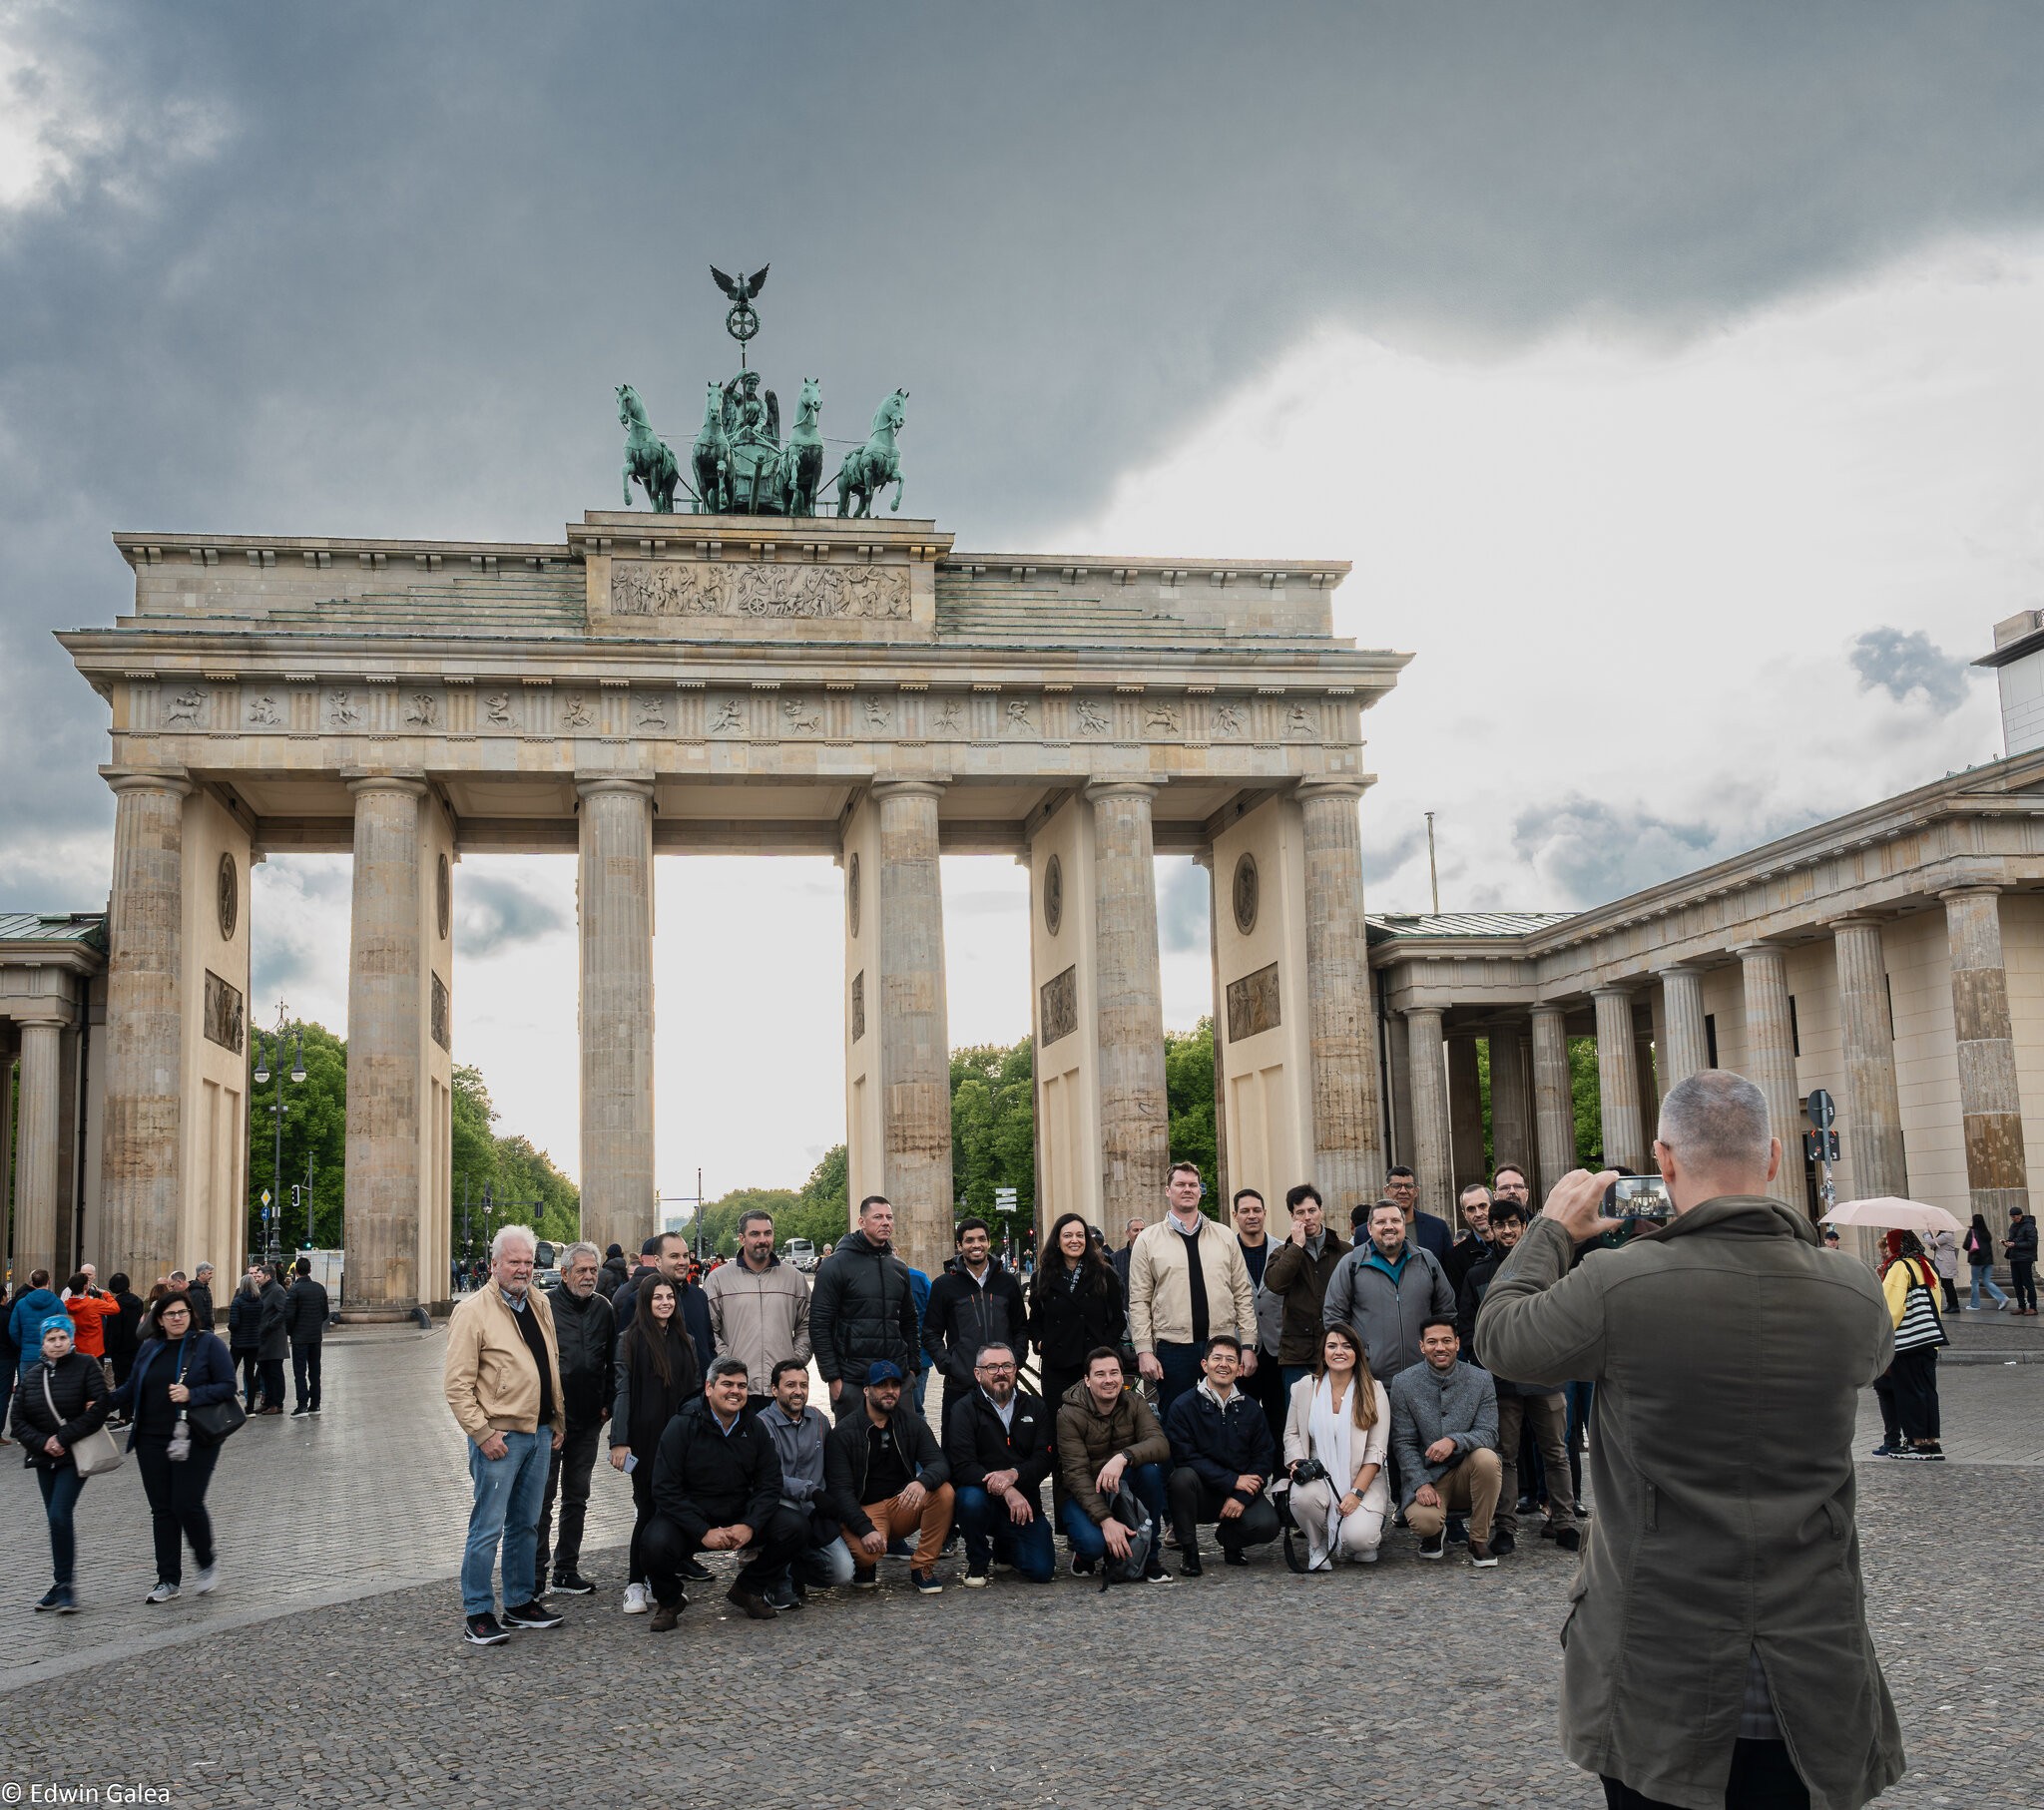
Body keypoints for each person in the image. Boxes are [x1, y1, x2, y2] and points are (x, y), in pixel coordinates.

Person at [1476, 1069, 1902, 1810]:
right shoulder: (1854, 1292)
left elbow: (1501, 1337)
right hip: (1813, 1668)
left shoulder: (1619, 1284)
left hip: (1656, 1670)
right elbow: (1874, 1361)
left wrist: (1550, 1228)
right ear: (1773, 1158)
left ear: (1663, 1162)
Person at [442, 1224, 566, 1647]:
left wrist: (558, 1420)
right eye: (514, 1261)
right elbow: (457, 1385)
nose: (523, 1269)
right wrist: (481, 1433)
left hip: (539, 1432)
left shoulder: (540, 1302)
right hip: (499, 1438)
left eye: (529, 1262)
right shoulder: (473, 1310)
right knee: (487, 1528)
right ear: (494, 1264)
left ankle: (518, 1602)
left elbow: (549, 1363)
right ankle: (477, 1611)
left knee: (526, 1525)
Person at [640, 1357, 805, 1630]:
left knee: (795, 1526)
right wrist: (701, 1530)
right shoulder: (681, 1426)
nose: (735, 1391)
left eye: (741, 1385)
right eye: (727, 1384)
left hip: (738, 1513)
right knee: (653, 1543)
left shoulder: (755, 1428)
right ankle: (669, 1601)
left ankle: (748, 1588)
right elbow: (664, 1488)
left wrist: (750, 1525)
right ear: (708, 1388)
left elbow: (770, 1483)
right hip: (691, 1519)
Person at [1458, 1202, 1579, 1554]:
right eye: (1500, 1225)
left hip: (1546, 1374)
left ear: (1525, 1226)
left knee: (1555, 1452)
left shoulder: (1549, 1266)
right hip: (1502, 1379)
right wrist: (1485, 1359)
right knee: (1504, 1455)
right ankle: (1505, 1527)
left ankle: (1564, 1521)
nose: (1507, 1231)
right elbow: (1467, 1327)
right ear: (1491, 1229)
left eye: (1513, 1224)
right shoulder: (1478, 1274)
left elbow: (1566, 1314)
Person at [110, 1290, 237, 1604]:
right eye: (170, 1314)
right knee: (162, 1509)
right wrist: (99, 1402)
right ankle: (168, 1579)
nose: (177, 1318)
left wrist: (192, 1394)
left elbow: (228, 1385)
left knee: (186, 1502)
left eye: (182, 1312)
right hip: (151, 1438)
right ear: (159, 1320)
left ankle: (206, 1561)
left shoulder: (208, 1344)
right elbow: (130, 1387)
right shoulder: (150, 1347)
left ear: (191, 1315)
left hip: (195, 1436)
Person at [1127, 1161, 1258, 1417]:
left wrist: (1249, 1345)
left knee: (1227, 1417)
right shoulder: (1148, 1239)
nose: (1187, 1189)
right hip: (1173, 1348)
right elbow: (1139, 1300)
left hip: (1221, 1345)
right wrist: (1143, 1350)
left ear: (1200, 1190)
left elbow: (1242, 1293)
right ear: (1168, 1190)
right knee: (1177, 1421)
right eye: (1180, 1184)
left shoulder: (1225, 1236)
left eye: (1193, 1185)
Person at [610, 1275, 703, 1613]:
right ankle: (635, 1584)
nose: (665, 1302)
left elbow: (694, 1393)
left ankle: (657, 1580)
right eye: (657, 1298)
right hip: (644, 1442)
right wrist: (619, 1441)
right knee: (648, 1510)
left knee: (672, 1510)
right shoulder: (629, 1341)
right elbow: (622, 1392)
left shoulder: (686, 1341)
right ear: (645, 1303)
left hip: (679, 1441)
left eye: (669, 1297)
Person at [821, 1358, 953, 1594]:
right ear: (866, 1390)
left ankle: (922, 1566)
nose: (890, 1391)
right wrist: (864, 1529)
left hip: (901, 1504)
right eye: (882, 1385)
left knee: (943, 1492)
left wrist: (922, 1482)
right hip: (865, 1510)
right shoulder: (844, 1432)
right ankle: (866, 1565)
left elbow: (939, 1463)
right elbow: (840, 1492)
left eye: (895, 1385)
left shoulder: (912, 1423)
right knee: (865, 1555)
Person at [11, 1314, 111, 1611]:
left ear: (71, 1339)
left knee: (58, 1514)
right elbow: (17, 1420)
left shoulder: (85, 1366)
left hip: (73, 1455)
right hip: (43, 1456)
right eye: (51, 1338)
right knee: (55, 1520)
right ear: (43, 1343)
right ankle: (60, 1583)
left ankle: (66, 1586)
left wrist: (62, 1438)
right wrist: (43, 1442)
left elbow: (98, 1408)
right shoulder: (31, 1375)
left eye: (61, 1337)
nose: (57, 1343)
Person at [1163, 1334, 1278, 1576]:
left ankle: (1231, 1540)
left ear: (1239, 1368)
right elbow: (1185, 1456)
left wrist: (1240, 1495)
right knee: (1180, 1478)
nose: (1223, 1364)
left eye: (1230, 1360)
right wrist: (1232, 1480)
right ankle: (1190, 1551)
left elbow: (1264, 1456)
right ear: (1205, 1365)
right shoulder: (1183, 1406)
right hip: (1199, 1492)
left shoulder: (1251, 1408)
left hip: (1237, 1492)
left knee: (1267, 1525)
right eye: (1217, 1358)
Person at [1389, 1316, 1501, 1566]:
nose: (1440, 1347)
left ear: (1457, 1343)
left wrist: (1454, 1440)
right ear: (1422, 1346)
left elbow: (1489, 1432)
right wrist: (1420, 1483)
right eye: (1432, 1342)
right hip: (1428, 1477)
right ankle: (1436, 1532)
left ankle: (1479, 1539)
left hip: (1467, 1473)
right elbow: (1403, 1442)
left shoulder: (1481, 1379)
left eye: (1446, 1341)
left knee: (1487, 1458)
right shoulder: (1404, 1383)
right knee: (1424, 1523)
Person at [943, 1340, 1055, 1585]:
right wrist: (1005, 1488)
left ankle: (1005, 1546)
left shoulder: (1035, 1406)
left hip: (1024, 1502)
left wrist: (1014, 1475)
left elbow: (1044, 1458)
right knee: (969, 1500)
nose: (1001, 1372)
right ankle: (979, 1560)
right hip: (982, 1497)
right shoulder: (963, 1409)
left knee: (1041, 1571)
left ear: (1016, 1369)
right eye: (992, 1367)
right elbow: (962, 1465)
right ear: (978, 1373)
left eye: (1007, 1365)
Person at [1054, 1346, 1170, 1582]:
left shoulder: (1135, 1402)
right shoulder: (1068, 1413)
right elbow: (1075, 1474)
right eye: (1100, 1374)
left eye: (1114, 1373)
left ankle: (1150, 1556)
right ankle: (1089, 1553)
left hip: (1120, 1482)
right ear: (1087, 1380)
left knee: (1149, 1472)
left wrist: (1123, 1457)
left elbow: (1160, 1444)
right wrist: (1106, 1521)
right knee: (1092, 1544)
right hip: (1081, 1490)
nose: (1109, 1380)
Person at [538, 1241, 614, 1595]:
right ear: (564, 1273)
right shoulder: (543, 1306)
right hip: (551, 1422)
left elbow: (614, 1361)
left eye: (593, 1270)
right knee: (542, 1499)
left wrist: (608, 1403)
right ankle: (535, 1573)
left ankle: (566, 1569)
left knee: (576, 1497)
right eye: (581, 1270)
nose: (588, 1277)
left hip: (588, 1420)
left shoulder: (604, 1308)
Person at [1282, 1323, 1391, 1569]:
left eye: (1346, 1346)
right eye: (1332, 1346)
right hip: (1318, 1477)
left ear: (1357, 1353)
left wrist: (1356, 1494)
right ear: (1323, 1353)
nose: (1338, 1351)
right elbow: (1291, 1434)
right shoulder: (1304, 1388)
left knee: (1361, 1539)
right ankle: (1316, 1544)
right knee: (1302, 1497)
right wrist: (1298, 1461)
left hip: (1361, 1480)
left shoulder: (1374, 1391)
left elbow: (1376, 1451)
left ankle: (1359, 1533)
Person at [1321, 1199, 1458, 1392]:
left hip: (1423, 1379)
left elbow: (1446, 1311)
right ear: (1369, 1228)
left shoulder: (1427, 1260)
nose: (1389, 1227)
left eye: (1395, 1220)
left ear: (1404, 1225)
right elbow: (1334, 1317)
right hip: (1370, 1382)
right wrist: (1360, 1356)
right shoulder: (1351, 1264)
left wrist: (1435, 1351)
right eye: (1380, 1222)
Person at [809, 1195, 922, 1410]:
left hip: (896, 1378)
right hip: (853, 1380)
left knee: (904, 1442)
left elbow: (909, 1319)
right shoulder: (835, 1265)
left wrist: (913, 1369)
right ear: (862, 1222)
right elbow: (819, 1325)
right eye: (878, 1217)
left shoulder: (899, 1267)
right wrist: (833, 1378)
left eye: (889, 1217)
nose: (885, 1222)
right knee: (854, 1443)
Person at [756, 1357, 851, 1608]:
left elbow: (831, 1466)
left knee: (843, 1572)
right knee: (788, 1505)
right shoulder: (762, 1424)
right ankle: (777, 1584)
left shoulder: (819, 1420)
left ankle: (792, 1569)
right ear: (775, 1390)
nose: (798, 1391)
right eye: (790, 1385)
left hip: (815, 1515)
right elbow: (769, 1477)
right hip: (779, 1511)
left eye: (803, 1385)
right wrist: (810, 1490)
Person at [922, 1216, 1030, 1422]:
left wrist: (1016, 1360)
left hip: (1003, 1384)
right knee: (958, 1448)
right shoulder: (944, 1285)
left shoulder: (1007, 1282)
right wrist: (949, 1365)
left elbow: (1020, 1328)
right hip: (961, 1385)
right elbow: (931, 1332)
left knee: (1006, 1447)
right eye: (969, 1240)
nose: (976, 1245)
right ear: (959, 1245)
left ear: (989, 1242)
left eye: (981, 1239)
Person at [703, 1208, 811, 1410]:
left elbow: (807, 1324)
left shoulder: (794, 1278)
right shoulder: (719, 1279)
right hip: (738, 1389)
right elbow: (709, 1330)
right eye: (755, 1234)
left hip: (782, 1389)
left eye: (767, 1233)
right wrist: (729, 1363)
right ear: (742, 1238)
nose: (763, 1239)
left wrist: (794, 1361)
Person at [1028, 1212, 1128, 1413]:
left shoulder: (1105, 1273)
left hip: (1094, 1365)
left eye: (1080, 1236)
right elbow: (1035, 1320)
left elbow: (1118, 1319)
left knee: (1099, 1425)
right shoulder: (1042, 1276)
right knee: (1059, 1425)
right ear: (1057, 1240)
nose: (1075, 1240)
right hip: (1057, 1365)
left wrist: (1104, 1347)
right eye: (1068, 1236)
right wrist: (1041, 1344)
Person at [1264, 1183, 1351, 1395]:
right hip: (1297, 1354)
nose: (1307, 1217)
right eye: (1300, 1213)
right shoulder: (1282, 1252)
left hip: (1338, 1348)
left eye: (1312, 1211)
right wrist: (1296, 1247)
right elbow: (1275, 1284)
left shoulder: (1345, 1251)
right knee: (1299, 1420)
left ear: (1321, 1211)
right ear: (1292, 1216)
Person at [1872, 1231, 1946, 1461]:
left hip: (1907, 1341)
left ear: (1896, 1246)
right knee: (1927, 1392)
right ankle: (1931, 1441)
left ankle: (1916, 1442)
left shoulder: (1900, 1267)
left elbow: (1892, 1309)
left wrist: (1880, 1336)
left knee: (1909, 1392)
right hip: (1929, 1339)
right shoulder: (1926, 1264)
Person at [1232, 1188, 1290, 1439]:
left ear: (1265, 1213)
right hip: (1240, 1348)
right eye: (1245, 1211)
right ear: (1235, 1215)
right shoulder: (1225, 1250)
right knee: (1242, 1419)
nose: (1251, 1215)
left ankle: (1281, 1472)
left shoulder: (1284, 1249)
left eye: (1256, 1210)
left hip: (1278, 1347)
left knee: (1281, 1417)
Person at [614, 1233, 716, 1375]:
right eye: (674, 1256)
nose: (682, 1261)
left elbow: (709, 1344)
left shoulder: (699, 1296)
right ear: (657, 1260)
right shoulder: (637, 1300)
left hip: (700, 1391)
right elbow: (623, 1359)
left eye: (685, 1256)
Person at [283, 1257, 329, 1417]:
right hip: (316, 1336)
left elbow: (289, 1316)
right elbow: (325, 1313)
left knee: (300, 1372)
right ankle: (315, 1404)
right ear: (310, 1270)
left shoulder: (294, 1291)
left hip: (300, 1337)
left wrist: (290, 1331)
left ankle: (302, 1405)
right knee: (315, 1371)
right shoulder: (319, 1288)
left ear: (296, 1272)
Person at [1384, 1165, 1453, 1260]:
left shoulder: (1438, 1228)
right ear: (1387, 1191)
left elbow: (1448, 1270)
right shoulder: (1365, 1232)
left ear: (1416, 1191)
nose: (1403, 1191)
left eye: (1409, 1186)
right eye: (1396, 1186)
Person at [62, 1272, 118, 1387]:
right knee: (95, 1384)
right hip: (95, 1351)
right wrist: (106, 1294)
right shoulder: (94, 1304)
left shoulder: (65, 1305)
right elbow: (115, 1308)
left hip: (76, 1350)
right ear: (85, 1287)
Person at [10, 1268, 64, 1379]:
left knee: (28, 1391)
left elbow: (13, 1330)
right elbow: (65, 1328)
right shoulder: (57, 1303)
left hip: (28, 1354)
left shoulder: (21, 1303)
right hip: (51, 1355)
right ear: (49, 1281)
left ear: (32, 1283)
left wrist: (24, 1344)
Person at [1442, 1183, 1495, 1292]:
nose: (1478, 1213)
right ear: (1465, 1214)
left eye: (1482, 1206)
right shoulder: (1455, 1258)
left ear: (1493, 1206)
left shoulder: (1511, 1243)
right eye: (1471, 1209)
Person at [255, 1262, 289, 1415]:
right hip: (263, 1338)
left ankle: (277, 1403)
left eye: (259, 1276)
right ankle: (268, 1401)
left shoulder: (277, 1290)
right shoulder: (263, 1290)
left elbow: (283, 1312)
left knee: (275, 1372)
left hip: (274, 1339)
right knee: (264, 1371)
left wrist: (269, 1325)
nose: (257, 1278)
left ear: (268, 1276)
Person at [103, 1273, 146, 1400]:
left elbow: (114, 1330)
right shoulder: (138, 1301)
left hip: (120, 1349)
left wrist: (110, 1348)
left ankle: (124, 1414)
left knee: (121, 1380)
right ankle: (132, 1411)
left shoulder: (117, 1304)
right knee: (133, 1378)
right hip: (136, 1345)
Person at [228, 1269, 263, 1409]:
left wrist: (231, 1328)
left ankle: (229, 1401)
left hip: (238, 1342)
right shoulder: (259, 1302)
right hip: (254, 1342)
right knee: (249, 1373)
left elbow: (234, 1324)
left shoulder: (238, 1302)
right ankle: (250, 1407)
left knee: (230, 1370)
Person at [1962, 1212, 2008, 1310]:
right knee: (1987, 1281)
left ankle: (1975, 1305)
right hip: (1988, 1260)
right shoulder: (1986, 1233)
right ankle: (2002, 1298)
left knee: (1975, 1282)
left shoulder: (1972, 1231)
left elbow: (1966, 1245)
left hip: (1977, 1260)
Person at [2006, 1203, 2039, 1314]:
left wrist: (2015, 1245)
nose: (2013, 1219)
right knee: (2017, 1283)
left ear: (2020, 1215)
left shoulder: (2029, 1226)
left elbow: (2032, 1243)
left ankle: (2033, 1307)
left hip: (2026, 1258)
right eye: (2012, 1217)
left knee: (2028, 1282)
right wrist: (2007, 1243)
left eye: (2015, 1217)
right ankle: (2021, 1306)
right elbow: (2012, 1239)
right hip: (2014, 1257)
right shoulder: (2013, 1226)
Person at [1926, 1223, 1961, 1314]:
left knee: (1948, 1284)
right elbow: (1934, 1245)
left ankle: (1954, 1305)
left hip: (1946, 1263)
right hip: (1944, 1262)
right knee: (1946, 1284)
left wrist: (1926, 1233)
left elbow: (1931, 1242)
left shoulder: (1946, 1235)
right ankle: (1951, 1304)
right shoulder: (1944, 1235)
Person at [1111, 1217, 1146, 1304]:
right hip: (1125, 1308)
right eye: (1135, 1230)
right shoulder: (1115, 1258)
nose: (1139, 1233)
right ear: (1127, 1233)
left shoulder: (1154, 1256)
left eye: (1142, 1230)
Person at [187, 1262, 217, 1331]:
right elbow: (199, 1314)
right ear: (201, 1274)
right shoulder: (196, 1292)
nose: (211, 1276)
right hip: (203, 1330)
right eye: (209, 1273)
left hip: (208, 1329)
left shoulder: (205, 1288)